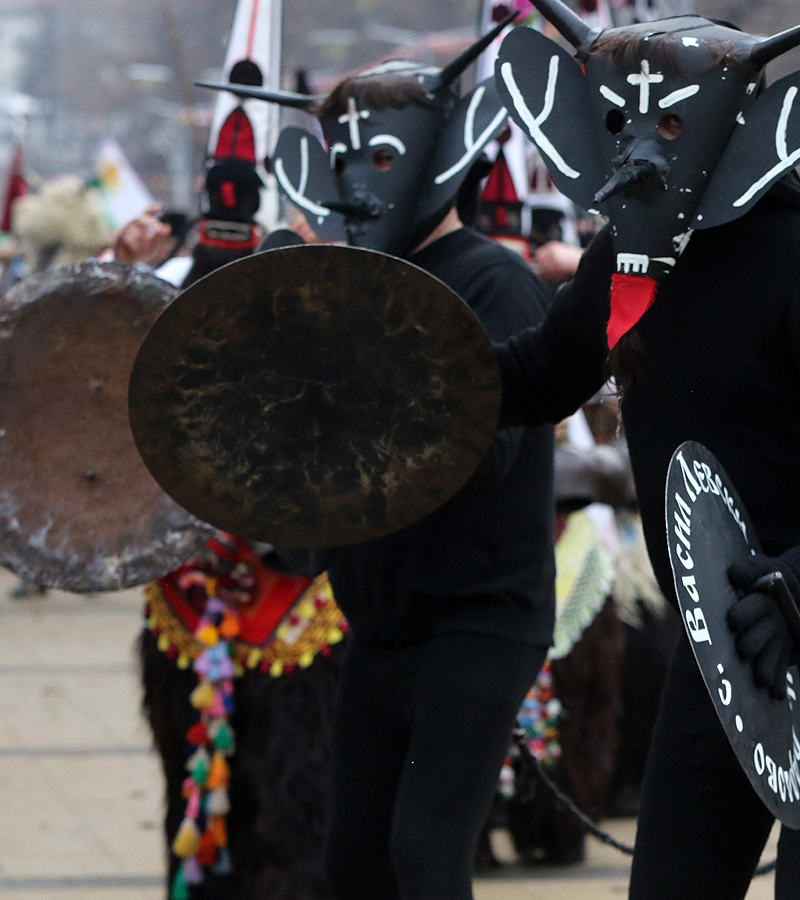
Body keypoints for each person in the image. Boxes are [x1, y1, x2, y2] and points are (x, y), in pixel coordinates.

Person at [491, 4, 800, 898]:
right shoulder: (628, 254)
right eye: (623, 120)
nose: (642, 148)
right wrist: (382, 363)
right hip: (718, 636)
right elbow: (536, 377)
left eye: (669, 121)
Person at [252, 34, 557, 900]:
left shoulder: (493, 281)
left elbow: (482, 453)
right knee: (354, 867)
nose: (358, 182)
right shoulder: (351, 281)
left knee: (426, 857)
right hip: (379, 620)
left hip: (478, 619)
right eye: (344, 158)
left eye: (382, 155)